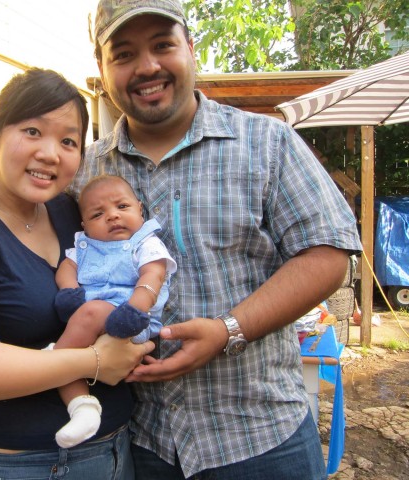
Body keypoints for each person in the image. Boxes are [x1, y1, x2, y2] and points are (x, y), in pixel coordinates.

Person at [68, 1, 363, 479]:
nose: (147, 66)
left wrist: (230, 329)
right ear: (101, 68)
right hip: (138, 442)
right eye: (123, 54)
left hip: (261, 437)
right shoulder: (84, 172)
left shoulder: (267, 142)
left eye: (162, 45)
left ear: (191, 48)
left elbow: (327, 254)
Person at [0, 67, 154, 480]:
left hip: (116, 448)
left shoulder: (71, 214)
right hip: (23, 465)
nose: (50, 154)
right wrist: (93, 360)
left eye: (68, 141)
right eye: (32, 132)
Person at [52, 174, 177, 449]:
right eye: (98, 214)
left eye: (122, 207)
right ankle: (81, 407)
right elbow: (66, 268)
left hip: (131, 318)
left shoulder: (145, 242)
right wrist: (69, 291)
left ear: (140, 209)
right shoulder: (85, 245)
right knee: (85, 326)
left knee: (90, 314)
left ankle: (53, 361)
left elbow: (152, 277)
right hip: (92, 319)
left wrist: (135, 309)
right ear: (84, 225)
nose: (112, 216)